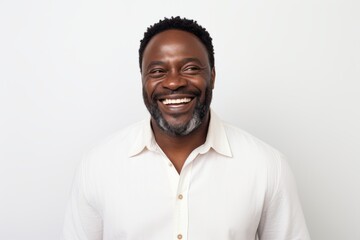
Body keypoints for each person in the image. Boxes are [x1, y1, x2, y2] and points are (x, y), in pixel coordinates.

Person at [62, 16, 310, 240]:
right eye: (158, 71)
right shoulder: (97, 166)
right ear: (142, 80)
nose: (173, 82)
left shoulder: (267, 166)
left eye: (190, 68)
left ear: (212, 75)